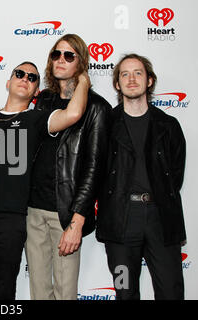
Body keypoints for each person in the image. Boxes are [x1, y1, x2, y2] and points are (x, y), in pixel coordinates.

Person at [0, 60, 90, 300]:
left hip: (11, 220)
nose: (25, 79)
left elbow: (74, 113)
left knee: (3, 293)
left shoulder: (36, 119)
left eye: (32, 78)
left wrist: (82, 79)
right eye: (19, 74)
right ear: (8, 82)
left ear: (36, 91)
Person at [26, 34, 111, 300]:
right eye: (56, 54)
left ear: (81, 62)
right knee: (39, 292)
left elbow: (95, 168)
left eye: (69, 55)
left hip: (65, 213)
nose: (61, 60)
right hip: (32, 209)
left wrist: (77, 220)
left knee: (65, 293)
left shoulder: (97, 107)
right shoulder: (43, 101)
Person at [96, 53, 186, 300]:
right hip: (120, 223)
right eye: (124, 74)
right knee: (125, 292)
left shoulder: (169, 126)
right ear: (117, 83)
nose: (131, 79)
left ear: (149, 81)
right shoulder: (105, 126)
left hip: (161, 219)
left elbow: (174, 175)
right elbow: (96, 174)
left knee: (171, 292)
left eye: (138, 73)